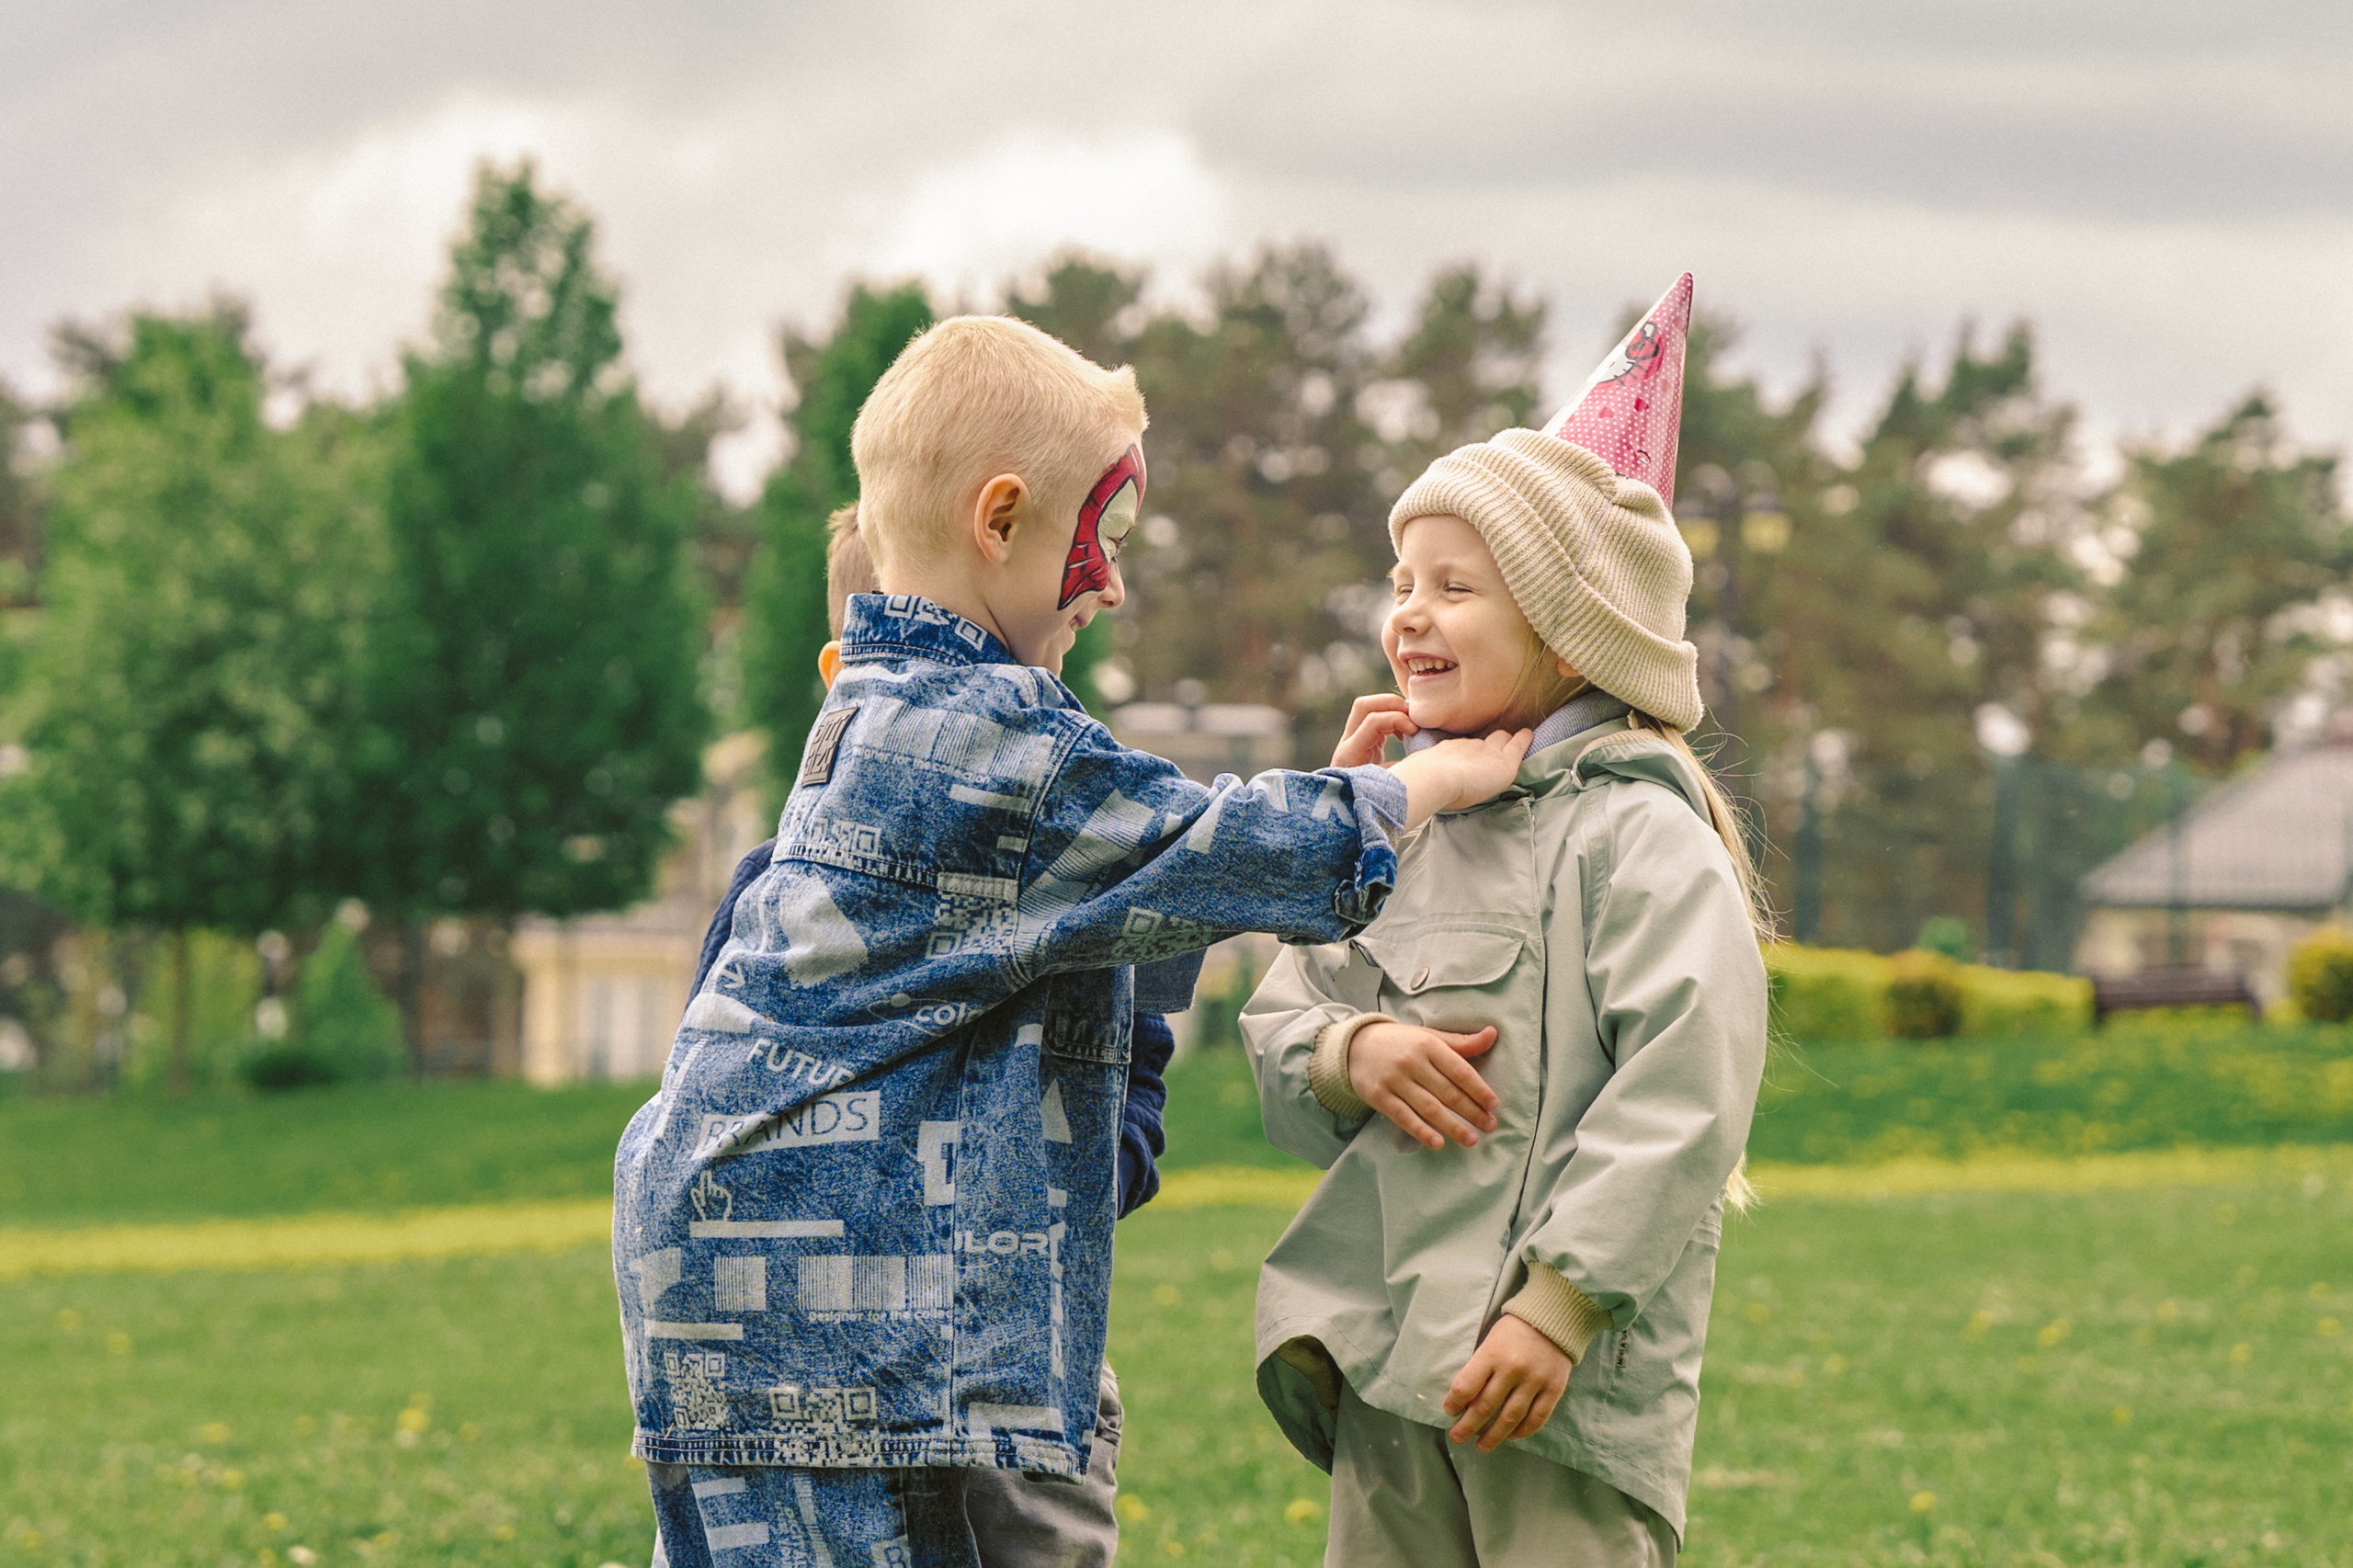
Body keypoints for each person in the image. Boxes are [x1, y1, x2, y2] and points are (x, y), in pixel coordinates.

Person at [614, 312, 1532, 1567]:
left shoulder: (881, 715)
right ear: (1000, 521)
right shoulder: (981, 732)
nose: (1110, 580)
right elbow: (1208, 848)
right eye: (1100, 535)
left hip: (734, 1279)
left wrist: (1304, 810)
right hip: (832, 1301)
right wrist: (1431, 785)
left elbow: (1145, 886)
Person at [1241, 275, 1769, 1567]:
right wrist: (1346, 1050)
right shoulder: (1401, 824)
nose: (1407, 611)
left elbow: (1685, 1090)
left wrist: (1558, 1306)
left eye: (1456, 586)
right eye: (1400, 578)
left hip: (1554, 1388)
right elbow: (1278, 1016)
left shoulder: (1636, 834)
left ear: (1569, 626)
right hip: (1386, 1354)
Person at [678, 501, 1186, 1566]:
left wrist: (1073, 1178)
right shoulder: (777, 893)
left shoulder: (1079, 869)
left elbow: (1134, 1086)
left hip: (1017, 1366)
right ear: (844, 673)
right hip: (826, 1375)